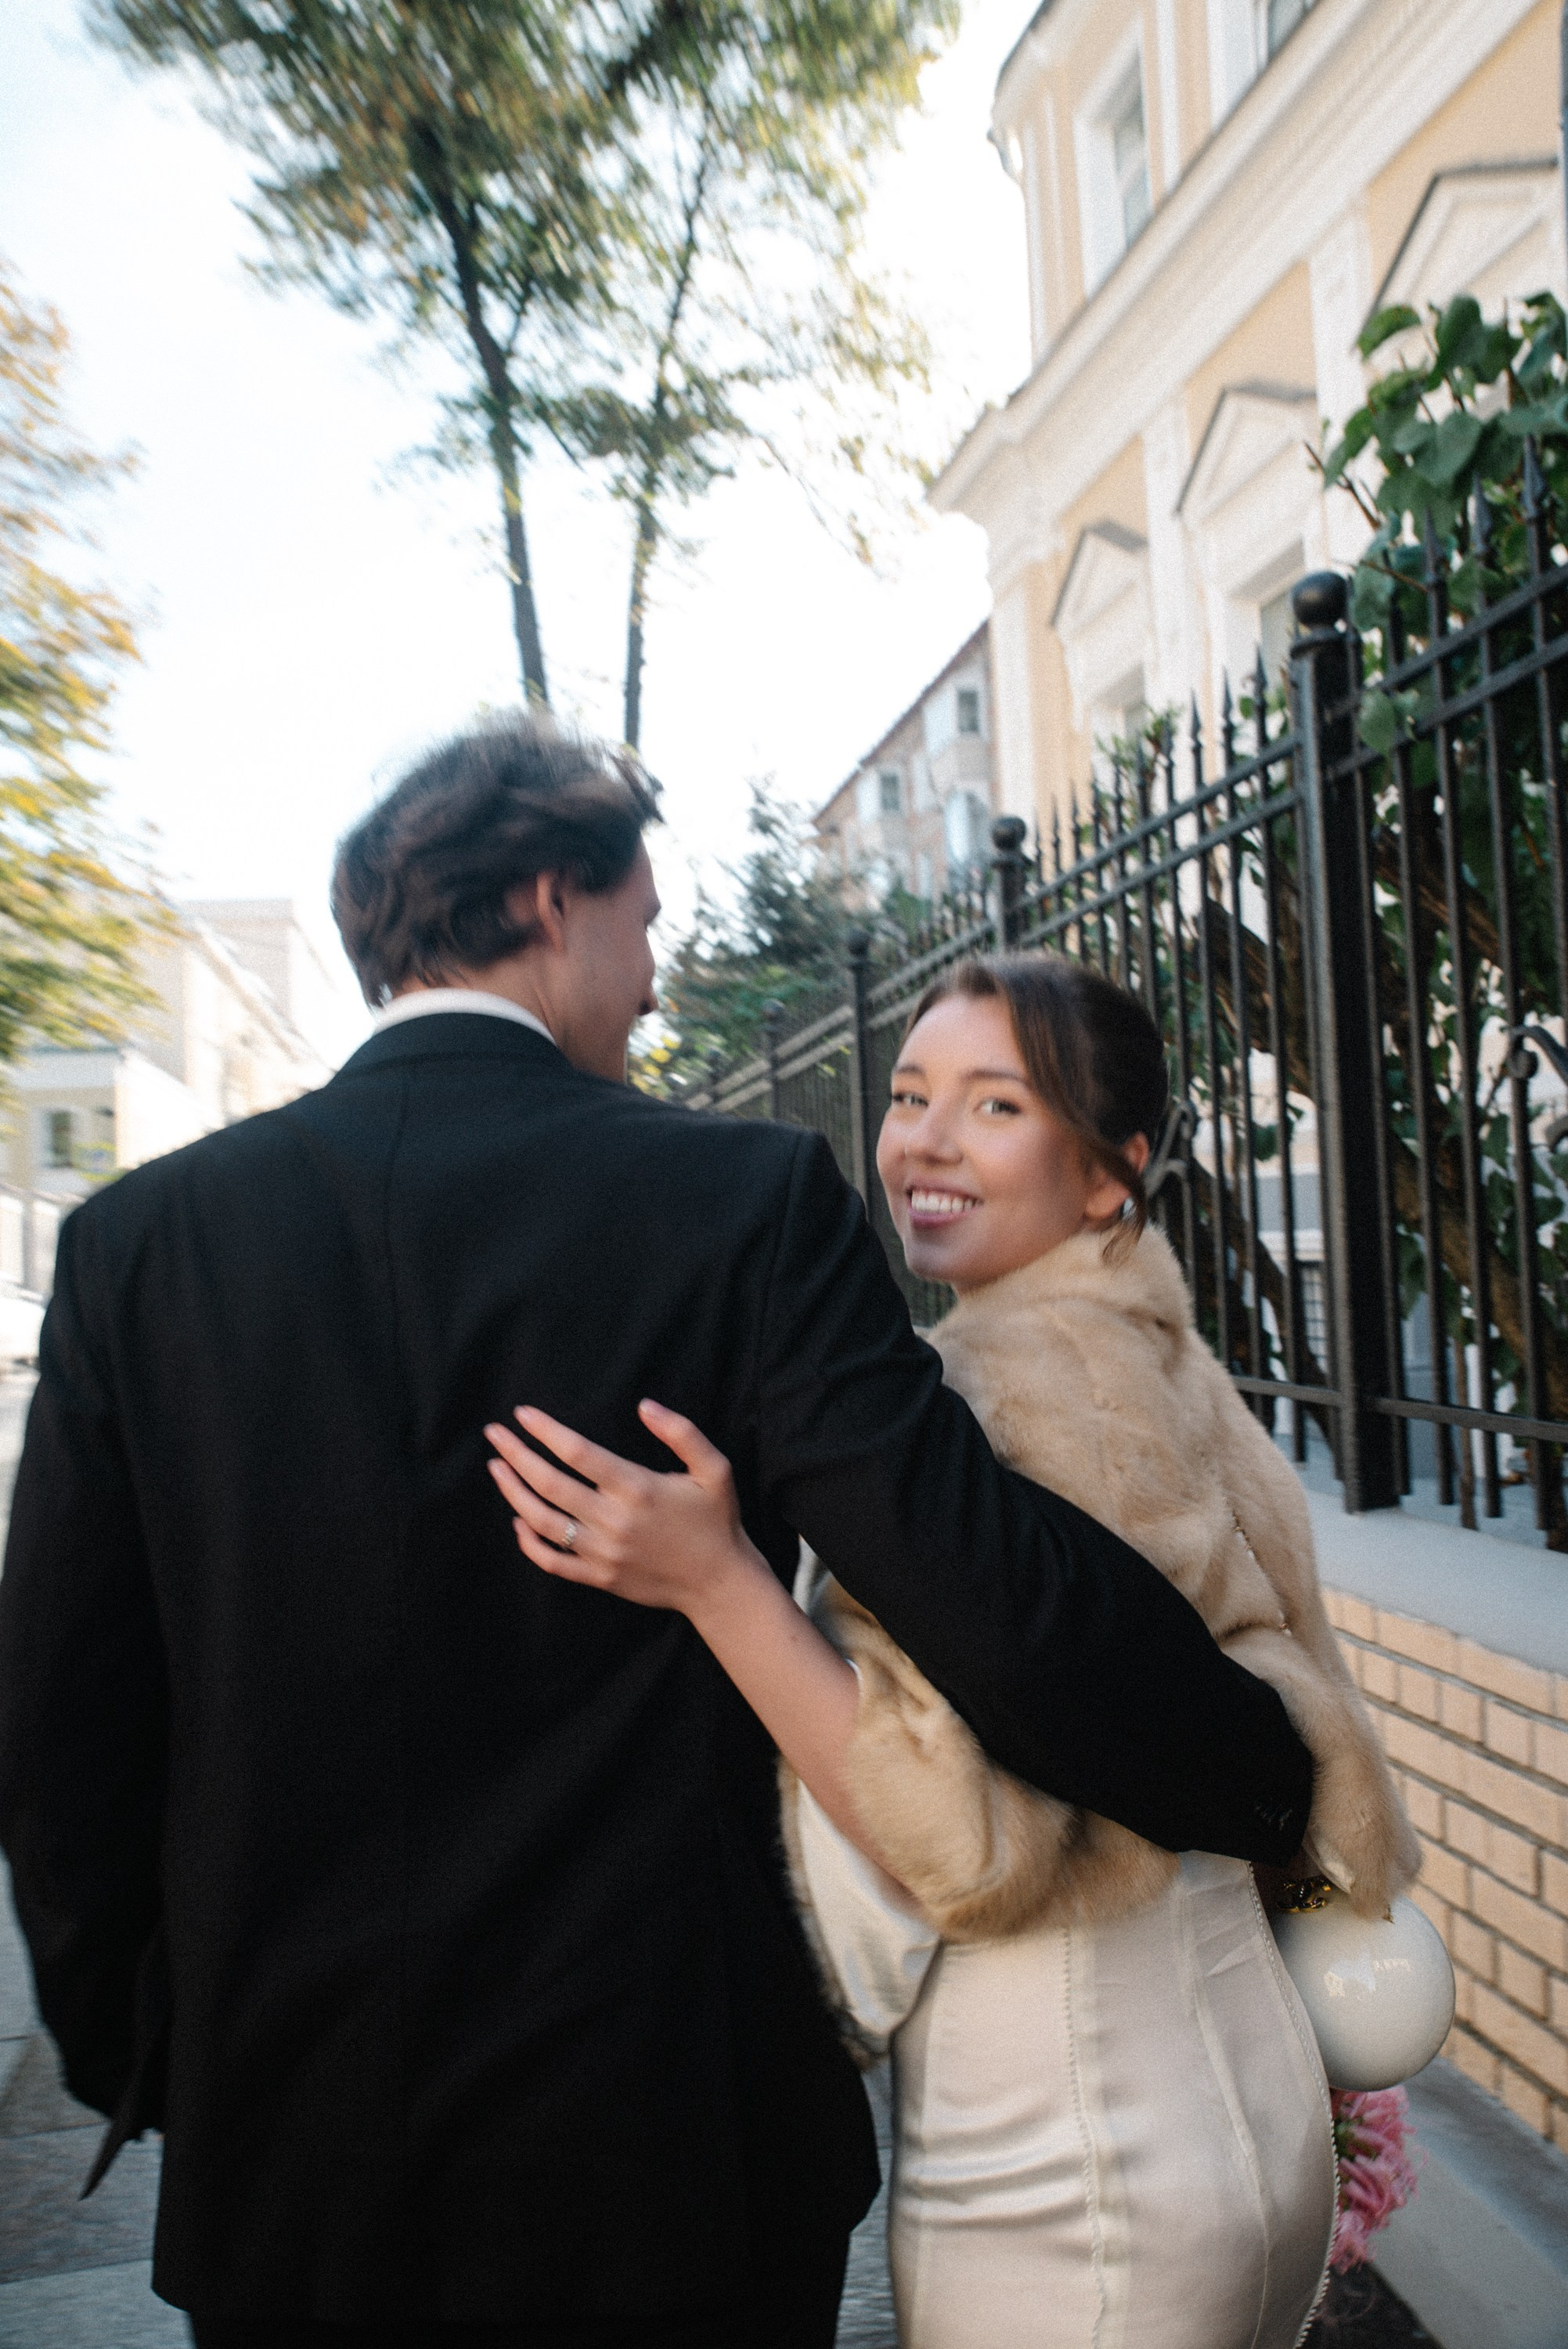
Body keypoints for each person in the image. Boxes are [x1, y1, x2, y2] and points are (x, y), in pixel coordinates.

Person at [0, 714, 1312, 2349]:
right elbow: (971, 1577)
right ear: (556, 901)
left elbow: (63, 1732)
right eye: (645, 925)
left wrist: (160, 2060)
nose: (652, 974)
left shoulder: (140, 1249)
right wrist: (1259, 1768)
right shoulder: (739, 1201)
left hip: (300, 2152)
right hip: (675, 2140)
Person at [485, 951, 1420, 2349]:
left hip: (1070, 2138)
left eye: (995, 1106)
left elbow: (976, 1842)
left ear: (1111, 1172)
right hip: (1236, 2094)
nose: (922, 1137)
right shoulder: (1152, 1346)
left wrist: (716, 1580)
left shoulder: (998, 1389)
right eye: (913, 1092)